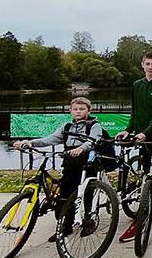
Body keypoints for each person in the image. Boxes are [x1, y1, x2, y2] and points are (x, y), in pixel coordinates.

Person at [13, 97, 103, 242]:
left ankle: (88, 221)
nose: (78, 112)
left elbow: (93, 141)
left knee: (85, 193)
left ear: (89, 110)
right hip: (70, 162)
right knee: (64, 195)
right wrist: (31, 142)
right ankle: (65, 226)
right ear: (70, 111)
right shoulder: (67, 126)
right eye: (75, 109)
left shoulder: (94, 125)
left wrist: (81, 148)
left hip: (87, 162)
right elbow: (52, 139)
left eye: (82, 109)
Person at [115, 52, 152, 242]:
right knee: (145, 168)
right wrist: (128, 129)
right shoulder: (137, 85)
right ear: (142, 64)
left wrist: (147, 132)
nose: (150, 67)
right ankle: (147, 202)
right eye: (147, 64)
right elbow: (136, 111)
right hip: (140, 135)